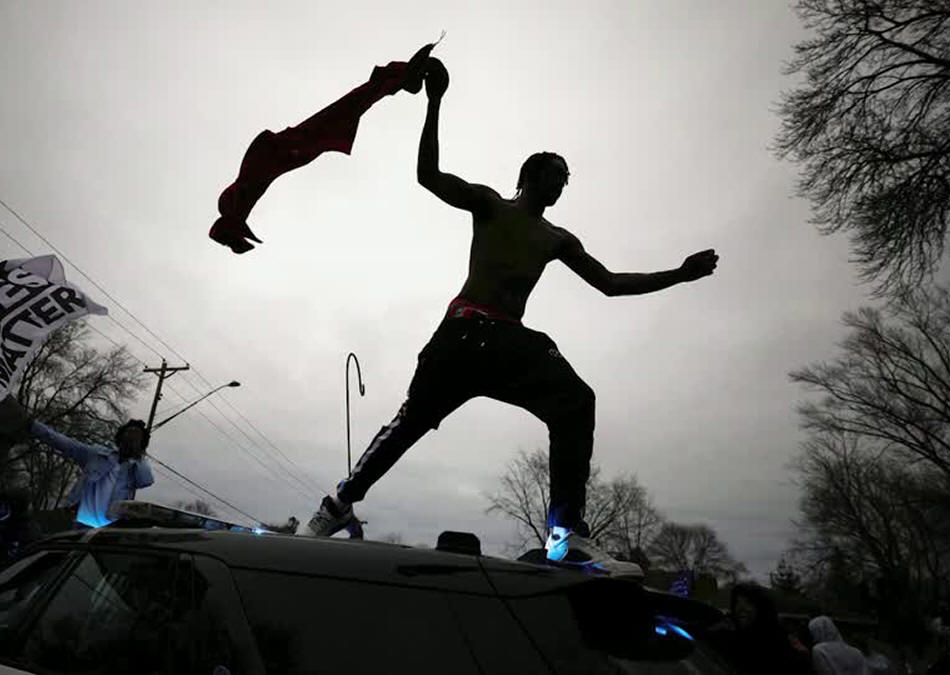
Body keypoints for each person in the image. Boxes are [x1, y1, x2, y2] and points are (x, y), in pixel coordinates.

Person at [296, 56, 719, 569]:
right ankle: (338, 504)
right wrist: (434, 103)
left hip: (505, 343)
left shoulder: (558, 238)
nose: (561, 187)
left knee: (575, 401)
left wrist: (679, 273)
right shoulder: (491, 204)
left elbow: (609, 284)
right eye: (556, 177)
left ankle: (565, 532)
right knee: (410, 422)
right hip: (460, 336)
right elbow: (428, 176)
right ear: (530, 176)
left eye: (566, 181)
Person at [29, 419, 154, 528]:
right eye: (128, 433)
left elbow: (147, 480)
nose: (130, 438)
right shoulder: (97, 454)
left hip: (108, 529)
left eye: (136, 437)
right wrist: (32, 425)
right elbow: (66, 444)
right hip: (79, 522)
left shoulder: (134, 469)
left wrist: (138, 456)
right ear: (121, 437)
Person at [718, 584, 811, 674]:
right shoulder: (731, 639)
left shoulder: (777, 640)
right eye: (737, 602)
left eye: (748, 603)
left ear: (761, 608)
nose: (741, 608)